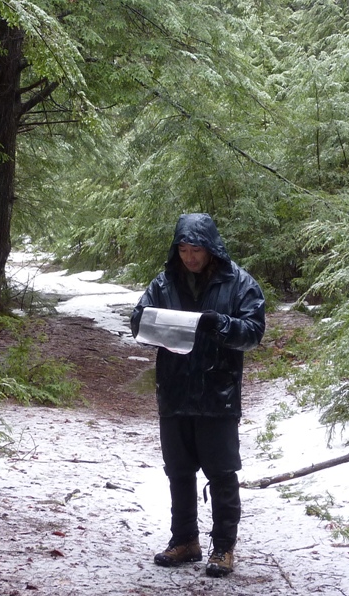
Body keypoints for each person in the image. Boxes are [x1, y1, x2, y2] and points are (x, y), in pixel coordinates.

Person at [130, 212, 266, 578]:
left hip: (216, 392)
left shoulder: (238, 282)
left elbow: (253, 332)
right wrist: (155, 323)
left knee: (221, 473)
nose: (190, 257)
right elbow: (137, 320)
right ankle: (185, 540)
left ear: (211, 249)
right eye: (184, 249)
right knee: (178, 471)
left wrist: (219, 324)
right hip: (174, 392)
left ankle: (223, 547)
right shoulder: (165, 282)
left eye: (196, 250)